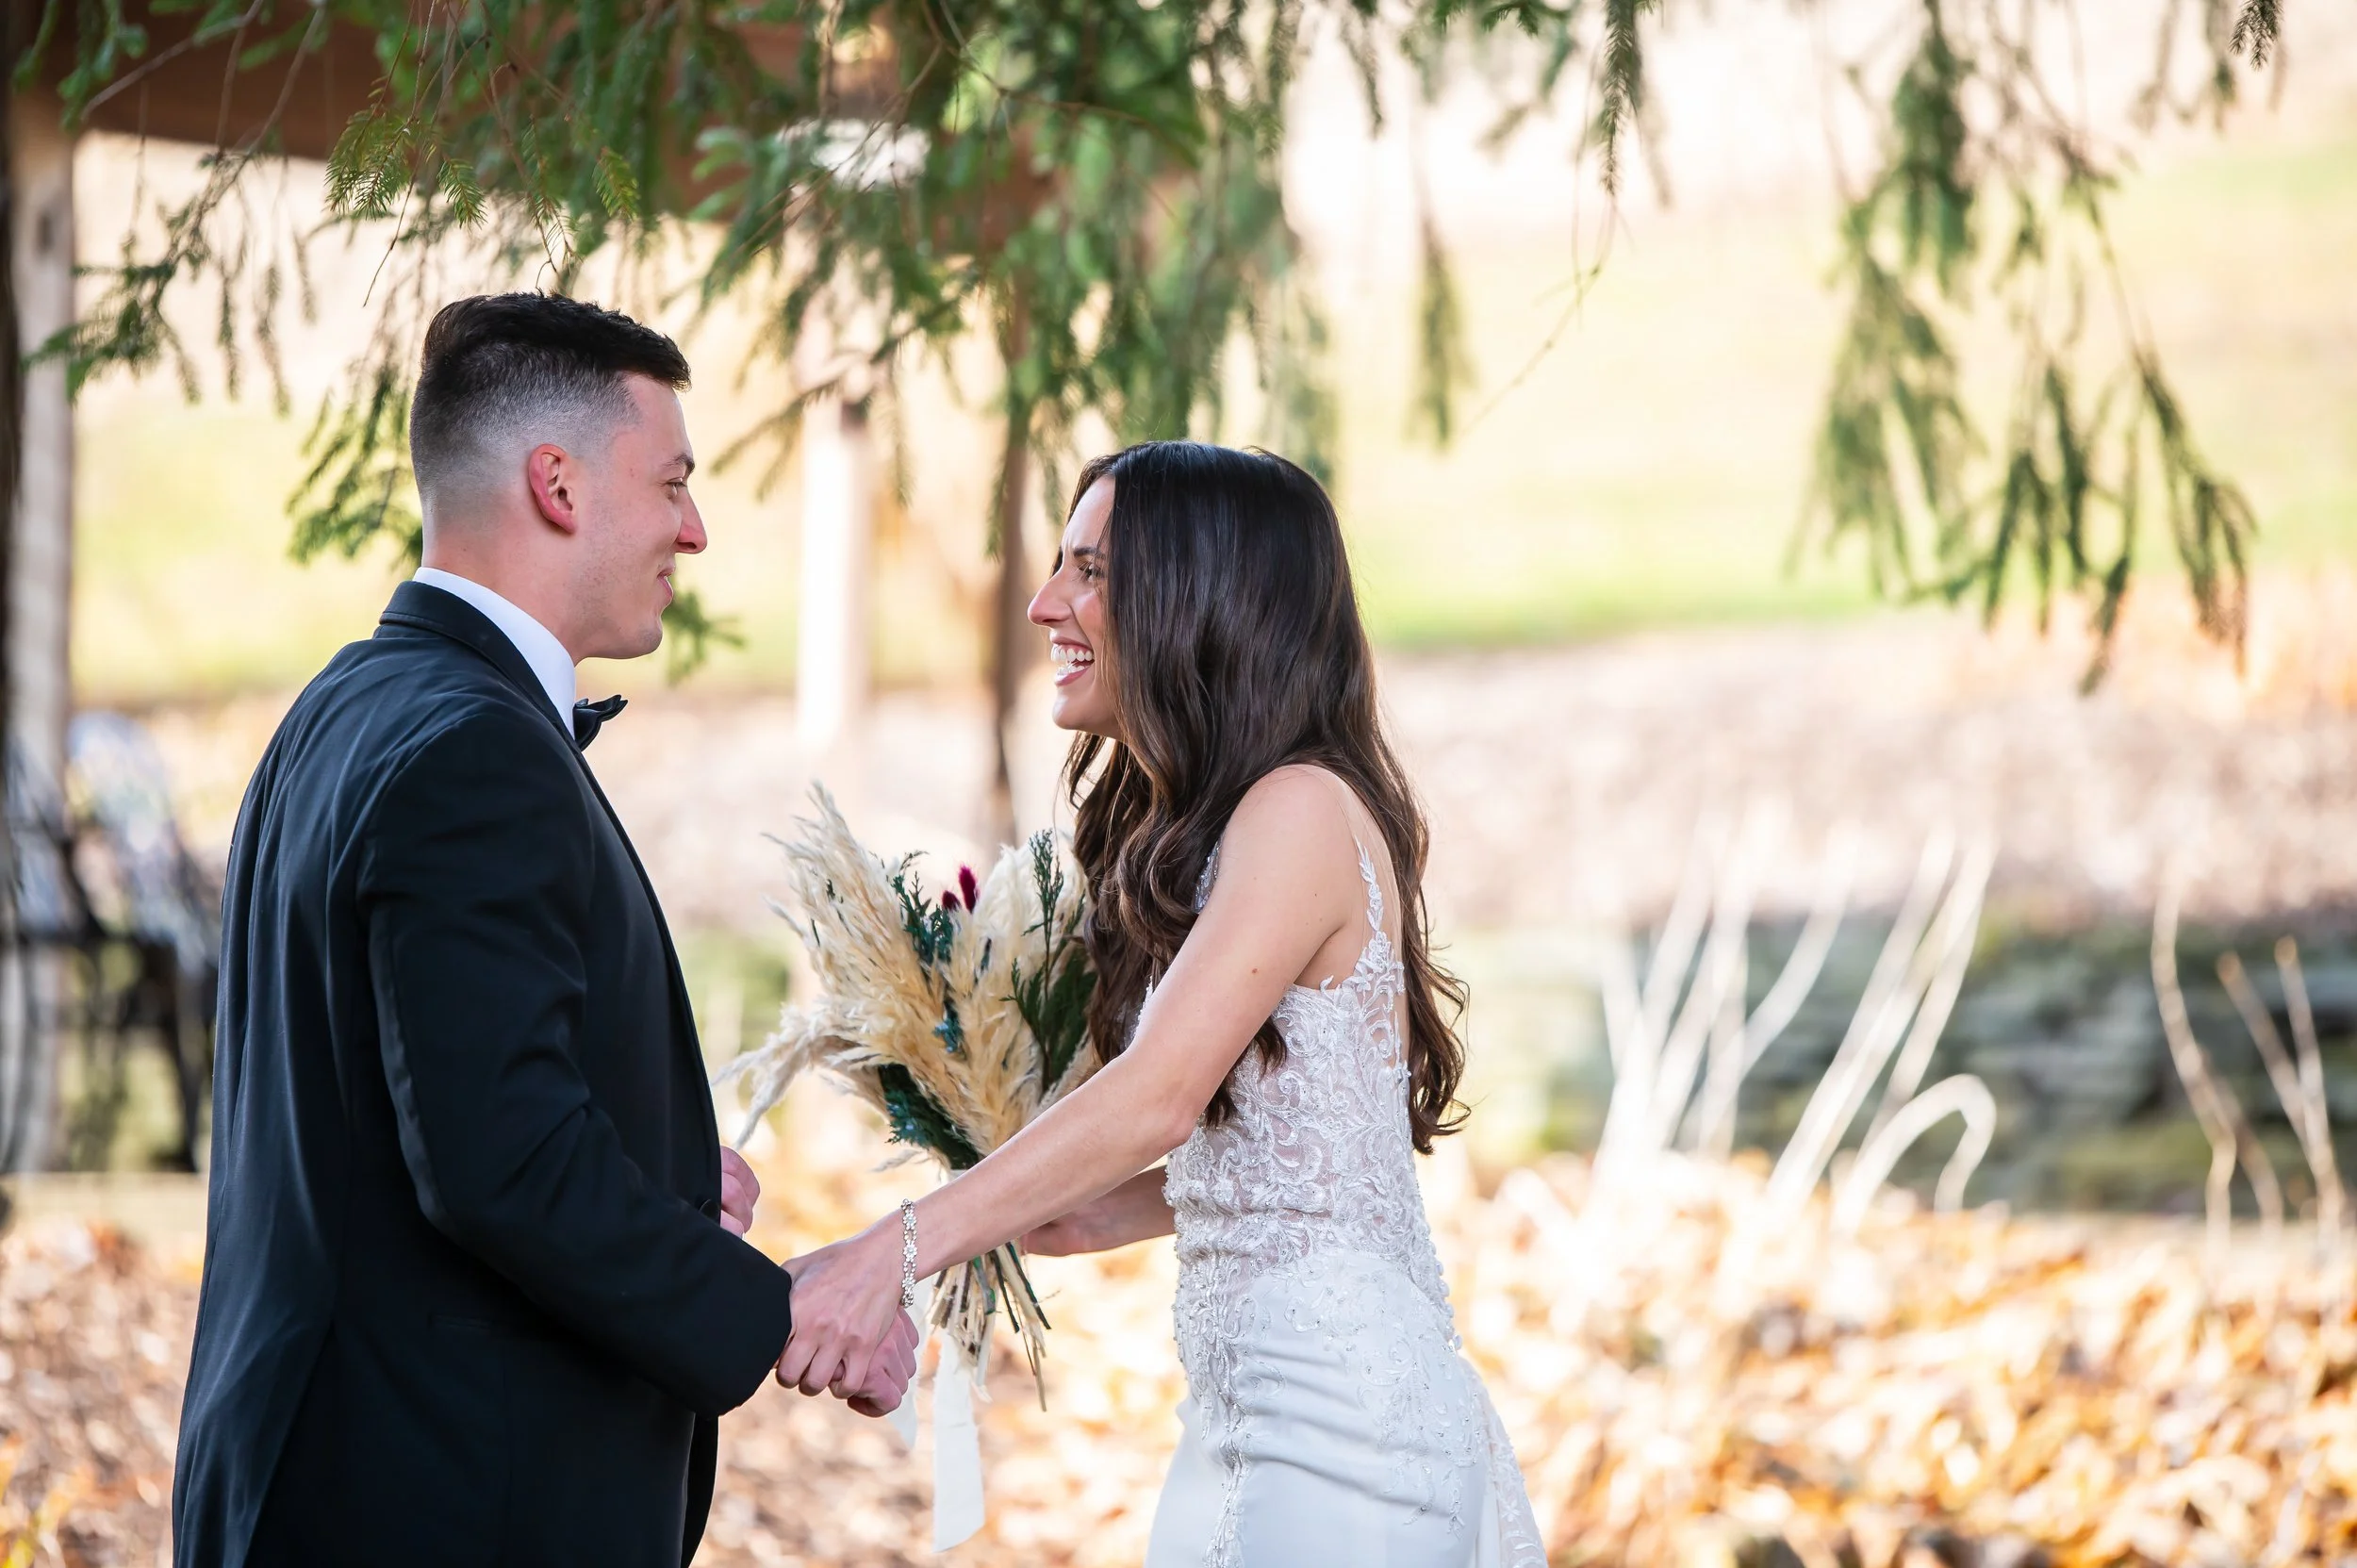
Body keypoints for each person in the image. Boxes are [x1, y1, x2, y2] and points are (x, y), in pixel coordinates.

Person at [171, 293, 916, 1568]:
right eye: (673, 480)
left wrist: (663, 1174)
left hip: (317, 1468)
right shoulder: (477, 751)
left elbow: (398, 1088)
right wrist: (772, 1309)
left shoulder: (340, 708)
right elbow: (498, 1163)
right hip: (432, 1499)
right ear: (557, 483)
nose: (694, 526)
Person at [780, 441, 1545, 1566]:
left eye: (1091, 571)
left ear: (1202, 600)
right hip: (1255, 1425)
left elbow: (1157, 1099)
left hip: (1341, 1441)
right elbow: (1246, 1175)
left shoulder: (1296, 808)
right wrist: (1006, 1199)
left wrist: (885, 1253)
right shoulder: (1246, 819)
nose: (1046, 604)